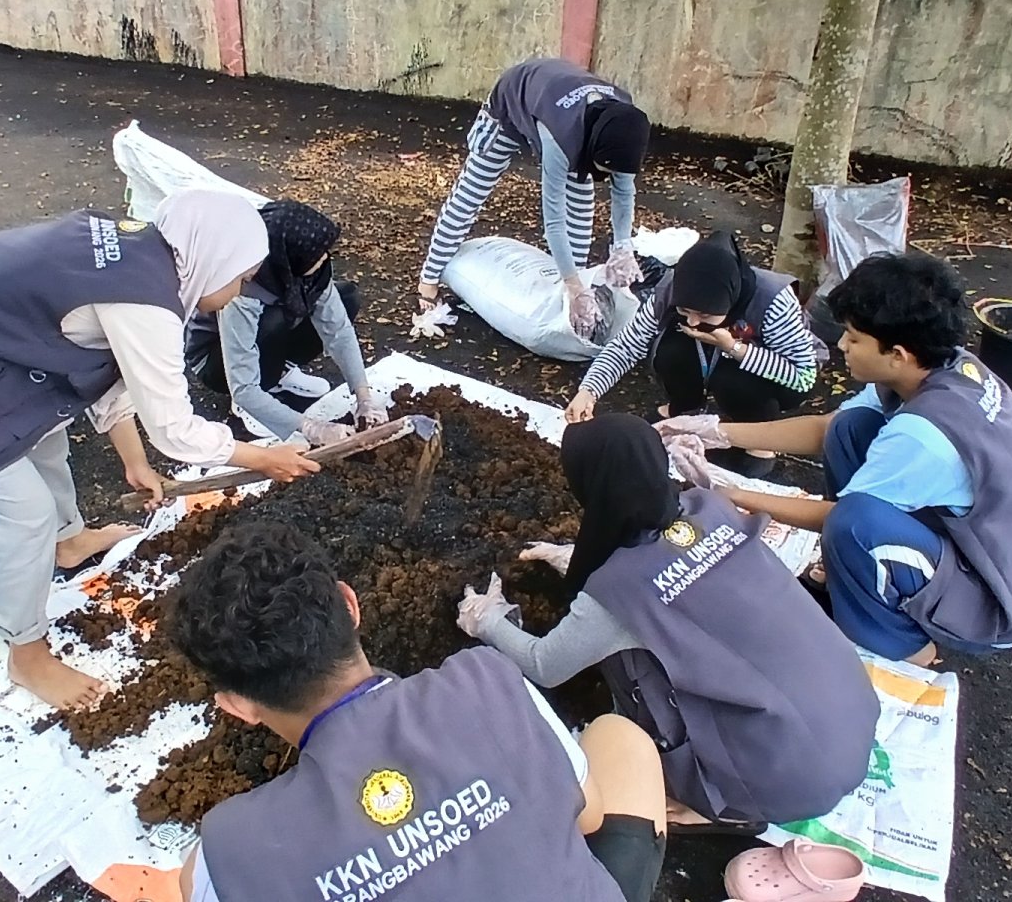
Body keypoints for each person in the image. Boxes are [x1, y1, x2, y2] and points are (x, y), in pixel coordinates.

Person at [0, 192, 321, 709]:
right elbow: (177, 431)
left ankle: (69, 542)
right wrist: (261, 458)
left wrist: (134, 461)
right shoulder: (144, 297)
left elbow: (112, 368)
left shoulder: (145, 253)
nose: (238, 291)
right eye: (241, 275)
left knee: (43, 436)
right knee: (20, 515)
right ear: (213, 257)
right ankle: (26, 655)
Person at [170, 523, 669, 902]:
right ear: (349, 605)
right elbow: (590, 814)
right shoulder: (489, 683)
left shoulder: (226, 855)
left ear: (236, 705)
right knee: (618, 737)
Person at [459, 415, 877, 831]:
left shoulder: (616, 595)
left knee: (623, 662)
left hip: (784, 782)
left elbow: (544, 665)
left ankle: (718, 801)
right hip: (852, 715)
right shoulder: (712, 509)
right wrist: (574, 558)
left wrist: (488, 620)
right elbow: (675, 568)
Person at [658, 252, 1012, 665]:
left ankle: (903, 648)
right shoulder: (946, 365)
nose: (841, 346)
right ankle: (859, 578)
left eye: (854, 339)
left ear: (897, 353)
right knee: (850, 428)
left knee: (852, 526)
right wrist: (712, 431)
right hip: (992, 549)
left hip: (997, 598)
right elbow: (826, 429)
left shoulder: (924, 435)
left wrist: (730, 494)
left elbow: (838, 517)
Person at [417, 57, 651, 335]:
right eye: (604, 168)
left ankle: (567, 301)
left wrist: (622, 247)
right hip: (513, 100)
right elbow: (554, 219)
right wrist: (576, 286)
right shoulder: (561, 138)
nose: (607, 176)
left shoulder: (626, 129)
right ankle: (428, 280)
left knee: (582, 200)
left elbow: (624, 192)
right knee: (472, 190)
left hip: (574, 117)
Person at [565, 232, 819, 477]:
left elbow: (803, 378)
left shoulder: (772, 300)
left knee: (733, 380)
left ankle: (759, 438)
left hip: (760, 367)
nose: (694, 322)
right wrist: (588, 391)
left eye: (706, 315)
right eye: (685, 310)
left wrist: (735, 348)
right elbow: (627, 345)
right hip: (714, 352)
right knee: (671, 348)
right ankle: (683, 409)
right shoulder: (669, 290)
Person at [185, 200, 387, 442]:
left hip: (265, 336)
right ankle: (261, 396)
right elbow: (244, 388)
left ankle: (279, 372)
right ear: (286, 254)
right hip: (216, 361)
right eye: (314, 252)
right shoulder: (245, 286)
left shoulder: (305, 269)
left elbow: (338, 331)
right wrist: (311, 428)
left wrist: (364, 397)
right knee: (274, 320)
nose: (324, 257)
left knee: (346, 297)